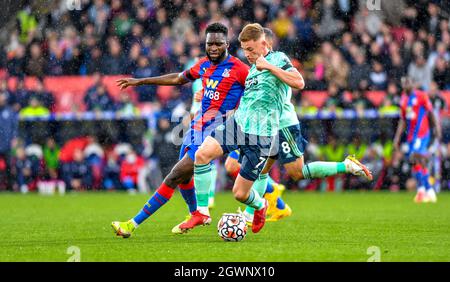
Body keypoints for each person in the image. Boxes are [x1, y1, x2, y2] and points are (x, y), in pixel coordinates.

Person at [181, 23, 373, 234]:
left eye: (251, 50)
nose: (247, 55)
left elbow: (299, 82)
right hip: (238, 125)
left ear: (264, 44)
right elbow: (247, 96)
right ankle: (203, 212)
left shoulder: (278, 59)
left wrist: (269, 66)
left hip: (270, 130)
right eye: (244, 50)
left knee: (293, 173)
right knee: (203, 155)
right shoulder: (253, 67)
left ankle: (261, 205)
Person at [112, 23, 249, 238]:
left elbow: (254, 95)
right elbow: (178, 78)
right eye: (209, 43)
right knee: (185, 179)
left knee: (174, 176)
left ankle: (132, 224)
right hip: (196, 129)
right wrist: (140, 82)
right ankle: (196, 213)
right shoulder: (203, 65)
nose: (213, 47)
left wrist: (238, 112)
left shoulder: (240, 69)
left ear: (227, 44)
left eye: (218, 44)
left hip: (216, 133)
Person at [393, 77, 442, 203]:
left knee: (417, 157)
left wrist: (437, 129)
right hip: (411, 136)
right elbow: (403, 120)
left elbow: (430, 113)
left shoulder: (421, 96)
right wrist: (397, 137)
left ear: (413, 84)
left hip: (422, 133)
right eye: (404, 83)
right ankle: (422, 190)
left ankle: (429, 190)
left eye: (409, 82)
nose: (407, 85)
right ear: (402, 85)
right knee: (415, 162)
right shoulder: (403, 100)